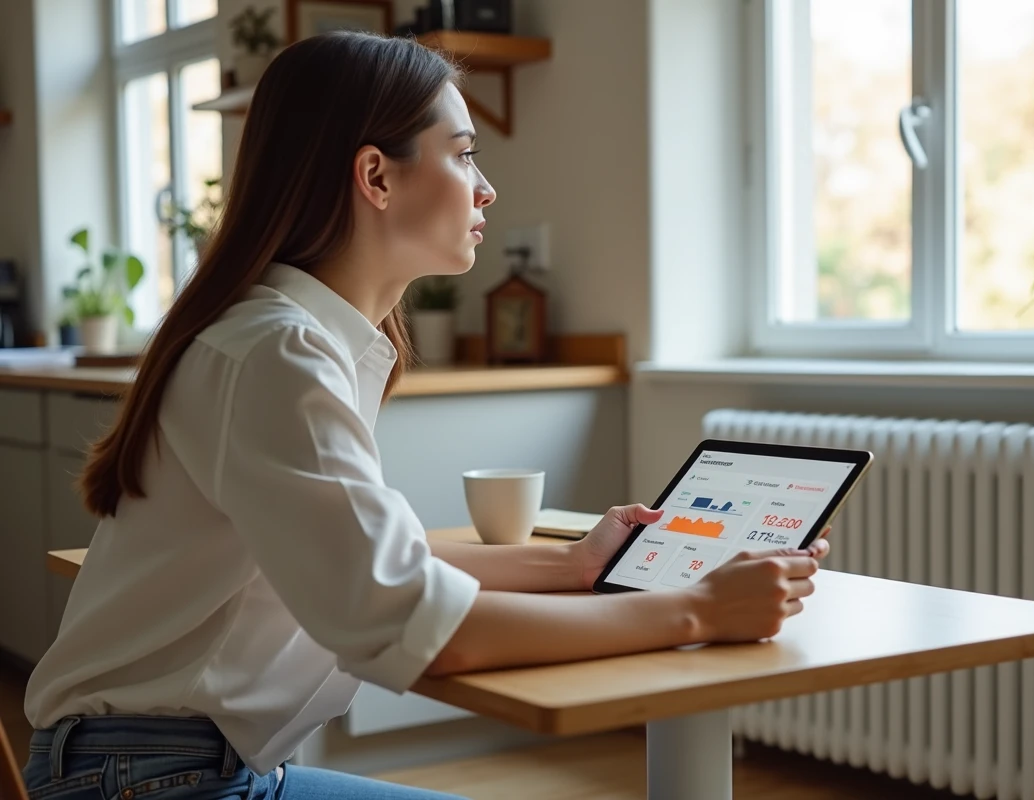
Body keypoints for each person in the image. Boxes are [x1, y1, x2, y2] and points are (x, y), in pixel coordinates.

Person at [21, 31, 831, 800]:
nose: (487, 188)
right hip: (152, 779)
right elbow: (407, 621)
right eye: (465, 153)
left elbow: (379, 570)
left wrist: (576, 567)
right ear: (375, 177)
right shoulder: (277, 357)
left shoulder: (285, 342)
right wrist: (695, 609)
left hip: (156, 767)